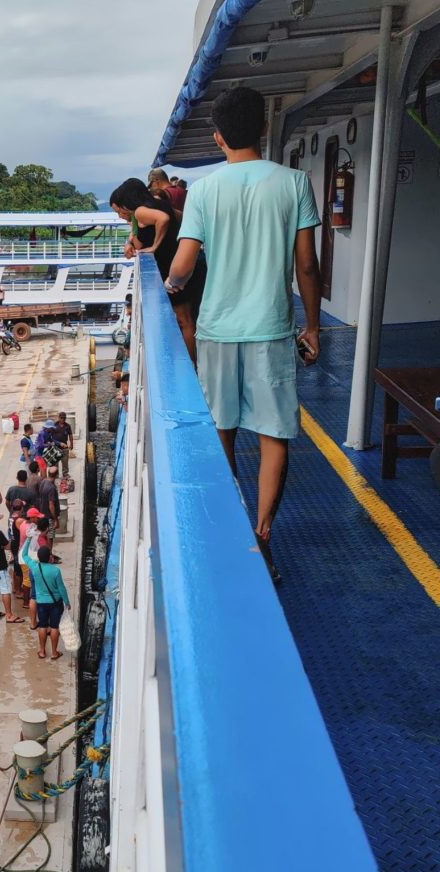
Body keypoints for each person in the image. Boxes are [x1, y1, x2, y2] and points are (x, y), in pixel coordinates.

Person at [167, 85, 322, 584]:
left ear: (216, 138)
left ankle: (229, 530)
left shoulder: (205, 191)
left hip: (216, 330)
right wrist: (314, 326)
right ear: (262, 128)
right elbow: (307, 266)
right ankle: (263, 536)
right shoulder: (295, 182)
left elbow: (185, 265)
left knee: (222, 431)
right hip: (272, 330)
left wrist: (169, 284)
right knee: (275, 434)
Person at [112, 177, 205, 365]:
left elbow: (164, 219)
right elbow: (176, 217)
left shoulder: (140, 211)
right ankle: (193, 361)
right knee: (187, 317)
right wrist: (130, 240)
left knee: (183, 318)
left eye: (119, 209)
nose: (120, 214)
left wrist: (155, 246)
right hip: (183, 264)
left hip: (172, 267)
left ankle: (192, 364)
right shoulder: (160, 204)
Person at [21, 539, 71, 660]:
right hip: (55, 603)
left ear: (38, 557)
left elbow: (24, 555)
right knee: (54, 627)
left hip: (41, 603)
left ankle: (42, 651)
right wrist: (67, 602)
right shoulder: (55, 571)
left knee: (42, 626)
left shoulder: (34, 567)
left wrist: (28, 539)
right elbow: (61, 588)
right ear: (50, 558)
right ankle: (54, 652)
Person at [39, 467, 61, 542]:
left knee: (45, 534)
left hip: (42, 513)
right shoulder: (51, 488)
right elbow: (51, 505)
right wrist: (55, 519)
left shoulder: (43, 482)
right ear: (57, 475)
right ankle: (49, 553)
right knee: (50, 536)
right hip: (49, 516)